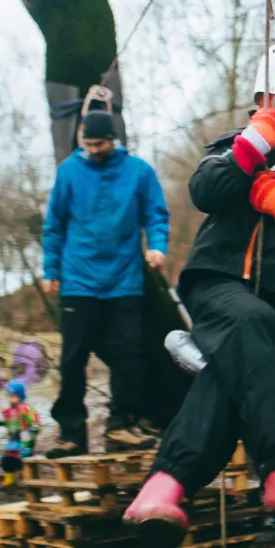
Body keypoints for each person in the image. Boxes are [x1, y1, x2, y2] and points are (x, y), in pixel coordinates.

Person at [123, 38, 275, 540]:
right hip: (219, 285)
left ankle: (163, 490)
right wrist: (254, 146)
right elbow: (205, 191)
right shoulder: (240, 146)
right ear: (267, 104)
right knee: (253, 329)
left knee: (231, 379)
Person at [42, 110, 170, 457]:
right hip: (78, 279)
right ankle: (71, 432)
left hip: (124, 279)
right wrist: (50, 269)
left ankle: (122, 424)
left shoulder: (138, 171)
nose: (93, 149)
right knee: (72, 358)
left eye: (99, 143)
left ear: (113, 140)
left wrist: (157, 246)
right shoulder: (69, 171)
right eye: (87, 143)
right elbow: (54, 223)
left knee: (128, 354)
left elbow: (156, 214)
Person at [0, 381, 40, 487]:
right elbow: (7, 422)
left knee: (25, 457)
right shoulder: (8, 410)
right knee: (7, 458)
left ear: (20, 396)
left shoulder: (26, 409)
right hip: (12, 437)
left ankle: (28, 477)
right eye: (9, 396)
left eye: (14, 396)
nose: (11, 399)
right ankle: (9, 478)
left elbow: (35, 422)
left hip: (25, 436)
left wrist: (33, 432)